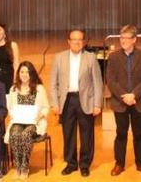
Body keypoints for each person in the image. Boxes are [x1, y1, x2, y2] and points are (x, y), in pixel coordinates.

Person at [48, 28, 103, 177]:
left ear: (84, 42)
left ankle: (85, 164)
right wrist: (54, 103)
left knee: (87, 135)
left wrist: (97, 104)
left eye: (80, 39)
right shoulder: (59, 58)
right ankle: (71, 163)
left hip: (85, 100)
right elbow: (53, 83)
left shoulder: (91, 58)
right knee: (68, 134)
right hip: (66, 101)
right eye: (74, 39)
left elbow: (98, 82)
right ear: (68, 42)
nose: (77, 42)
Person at [107, 24, 141, 176]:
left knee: (139, 134)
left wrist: (133, 95)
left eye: (126, 38)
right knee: (121, 134)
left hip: (138, 102)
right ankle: (119, 163)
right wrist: (124, 96)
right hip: (120, 103)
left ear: (134, 39)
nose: (123, 40)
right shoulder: (113, 56)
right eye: (121, 37)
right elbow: (110, 80)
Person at [5, 61, 50, 179]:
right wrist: (14, 114)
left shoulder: (39, 88)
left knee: (25, 135)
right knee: (14, 134)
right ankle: (18, 166)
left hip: (34, 122)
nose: (24, 74)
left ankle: (25, 166)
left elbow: (46, 107)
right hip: (18, 121)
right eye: (22, 71)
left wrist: (40, 115)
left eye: (27, 72)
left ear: (32, 74)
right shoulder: (13, 89)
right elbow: (10, 108)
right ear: (18, 73)